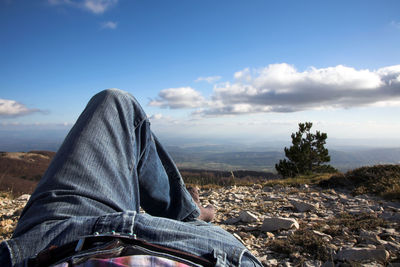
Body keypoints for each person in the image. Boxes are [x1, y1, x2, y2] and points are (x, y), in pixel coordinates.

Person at [0, 89, 262, 267]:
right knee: (116, 102)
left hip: (52, 247)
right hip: (205, 255)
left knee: (114, 101)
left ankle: (188, 215)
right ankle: (189, 216)